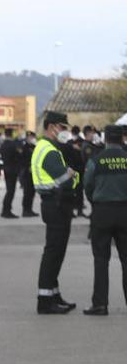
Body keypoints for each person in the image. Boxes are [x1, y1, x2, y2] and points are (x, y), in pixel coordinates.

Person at [31, 111, 82, 313]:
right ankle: (45, 300)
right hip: (56, 204)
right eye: (62, 127)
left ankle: (53, 293)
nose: (64, 131)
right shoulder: (50, 152)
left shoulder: (47, 148)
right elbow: (68, 181)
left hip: (55, 204)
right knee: (53, 252)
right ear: (52, 126)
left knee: (56, 252)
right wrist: (72, 174)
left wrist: (71, 173)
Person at [82, 124, 127, 315]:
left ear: (106, 139)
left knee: (101, 259)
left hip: (102, 213)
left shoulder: (96, 160)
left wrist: (96, 202)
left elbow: (88, 185)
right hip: (125, 211)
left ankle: (100, 304)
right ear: (123, 138)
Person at [0, 128, 22, 217]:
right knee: (11, 191)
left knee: (9, 190)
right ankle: (6, 211)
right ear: (11, 134)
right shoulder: (13, 145)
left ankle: (5, 209)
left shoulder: (3, 144)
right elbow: (19, 155)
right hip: (13, 169)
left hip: (6, 169)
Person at [20, 131, 39, 217]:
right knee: (27, 192)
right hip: (26, 173)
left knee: (32, 192)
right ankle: (25, 210)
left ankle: (30, 209)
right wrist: (27, 166)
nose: (32, 139)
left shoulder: (34, 147)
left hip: (33, 173)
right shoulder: (24, 147)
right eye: (31, 137)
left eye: (33, 137)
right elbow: (22, 160)